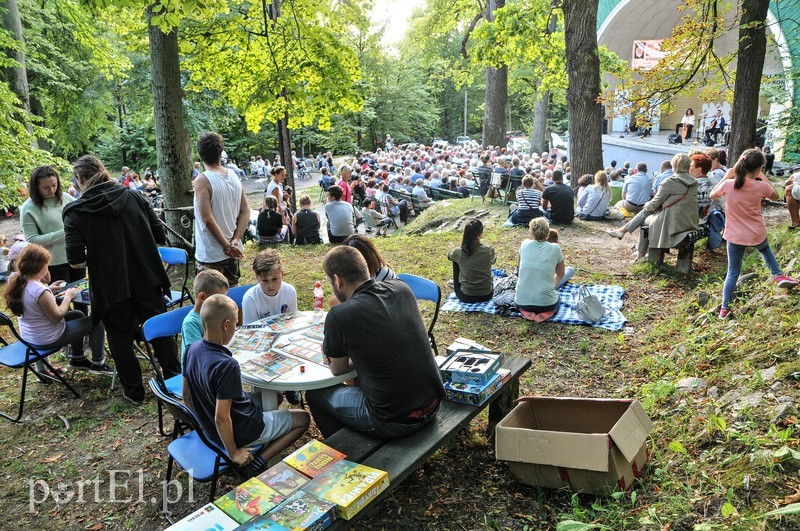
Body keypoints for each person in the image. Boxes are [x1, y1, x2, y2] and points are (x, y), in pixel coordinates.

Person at [64, 155, 179, 404]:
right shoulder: (134, 195)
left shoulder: (75, 211)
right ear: (103, 172)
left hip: (109, 283)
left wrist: (101, 253)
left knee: (119, 338)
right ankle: (175, 381)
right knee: (159, 329)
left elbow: (75, 261)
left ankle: (133, 392)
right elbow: (159, 235)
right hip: (146, 274)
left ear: (80, 180)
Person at [305, 246, 445, 439]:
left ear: (337, 280)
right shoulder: (401, 288)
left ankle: (348, 450)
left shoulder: (339, 315)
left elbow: (337, 369)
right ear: (366, 270)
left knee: (314, 395)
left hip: (395, 422)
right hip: (434, 404)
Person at [182, 294, 309, 466]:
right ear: (226, 325)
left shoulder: (192, 350)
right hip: (242, 431)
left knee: (276, 396)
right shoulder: (227, 365)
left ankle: (264, 436)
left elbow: (186, 396)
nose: (236, 328)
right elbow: (221, 417)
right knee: (303, 418)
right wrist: (233, 452)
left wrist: (204, 424)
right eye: (235, 324)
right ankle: (261, 459)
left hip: (212, 429)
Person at [710, 149, 799, 319]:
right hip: (756, 232)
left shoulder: (729, 184)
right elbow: (775, 196)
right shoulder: (761, 186)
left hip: (735, 235)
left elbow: (712, 195)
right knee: (765, 249)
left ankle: (725, 308)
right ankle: (778, 275)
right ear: (760, 168)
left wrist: (727, 176)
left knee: (733, 271)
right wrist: (763, 178)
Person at [3, 244, 110, 376]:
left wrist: (51, 289)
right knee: (96, 322)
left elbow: (36, 303)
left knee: (77, 314)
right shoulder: (40, 290)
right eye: (46, 265)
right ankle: (98, 363)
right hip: (47, 339)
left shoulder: (19, 282)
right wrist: (67, 297)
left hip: (30, 337)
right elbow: (57, 316)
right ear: (40, 267)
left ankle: (77, 358)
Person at [606, 153, 699, 264]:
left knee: (645, 220)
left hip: (672, 223)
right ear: (688, 166)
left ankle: (639, 252)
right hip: (688, 221)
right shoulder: (694, 182)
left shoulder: (671, 181)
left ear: (674, 165)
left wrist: (647, 205)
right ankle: (626, 235)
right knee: (648, 214)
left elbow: (654, 203)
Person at [193, 132, 250, 287]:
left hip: (210, 255)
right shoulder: (233, 176)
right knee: (231, 299)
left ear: (201, 154)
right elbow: (245, 211)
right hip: (233, 250)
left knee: (209, 304)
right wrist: (235, 241)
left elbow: (208, 219)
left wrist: (227, 245)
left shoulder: (202, 180)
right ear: (220, 153)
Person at [514, 218, 574, 316]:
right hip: (546, 303)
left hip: (521, 301)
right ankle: (550, 312)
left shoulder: (524, 244)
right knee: (559, 295)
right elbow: (560, 274)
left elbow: (520, 268)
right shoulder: (555, 248)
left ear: (532, 233)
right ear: (547, 233)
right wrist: (553, 286)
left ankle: (524, 311)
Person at [181, 269, 230, 366]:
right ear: (202, 297)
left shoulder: (216, 313)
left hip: (214, 360)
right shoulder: (191, 323)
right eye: (218, 299)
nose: (222, 303)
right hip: (198, 371)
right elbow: (198, 357)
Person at [242, 249, 298, 325]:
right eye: (265, 280)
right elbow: (251, 329)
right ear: (257, 278)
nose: (270, 285)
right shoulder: (250, 298)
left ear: (282, 275)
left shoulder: (290, 291)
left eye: (274, 279)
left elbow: (293, 320)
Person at [447, 219, 495, 303]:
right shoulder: (489, 250)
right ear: (480, 233)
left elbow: (449, 256)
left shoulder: (458, 252)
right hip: (487, 295)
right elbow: (493, 260)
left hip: (466, 296)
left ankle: (458, 283)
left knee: (455, 261)